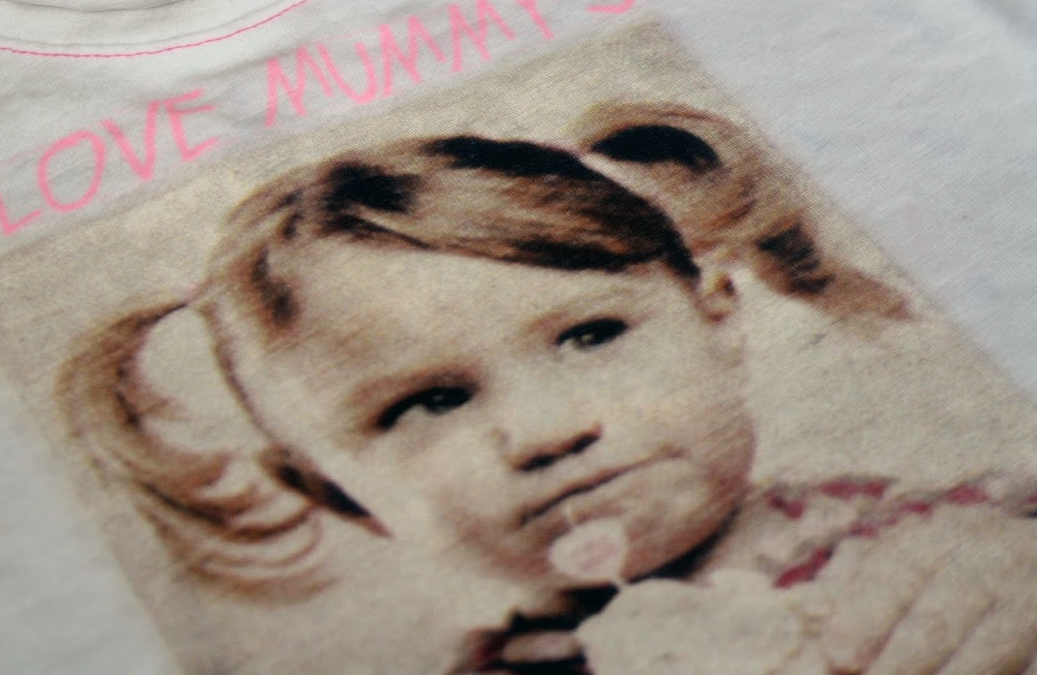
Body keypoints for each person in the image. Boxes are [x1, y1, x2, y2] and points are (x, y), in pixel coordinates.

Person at [60, 126, 1037, 673]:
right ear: (335, 491)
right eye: (424, 403)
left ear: (717, 320)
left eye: (591, 335)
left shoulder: (957, 541)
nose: (546, 431)